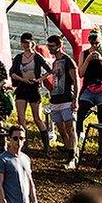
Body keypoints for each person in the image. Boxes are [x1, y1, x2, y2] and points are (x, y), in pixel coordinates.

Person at [76, 28, 102, 164]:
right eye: (92, 43)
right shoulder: (84, 53)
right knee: (80, 113)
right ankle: (77, 145)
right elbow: (80, 73)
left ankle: (101, 150)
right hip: (89, 87)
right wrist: (87, 59)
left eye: (97, 43)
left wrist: (101, 60)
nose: (94, 46)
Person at [10, 33, 52, 151]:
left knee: (37, 118)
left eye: (27, 42)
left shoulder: (37, 57)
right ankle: (24, 145)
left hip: (33, 88)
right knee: (21, 117)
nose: (25, 45)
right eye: (23, 43)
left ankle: (46, 145)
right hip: (22, 87)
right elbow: (12, 72)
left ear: (32, 43)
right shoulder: (19, 57)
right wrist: (22, 79)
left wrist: (39, 80)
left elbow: (49, 70)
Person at [45, 35, 80, 168]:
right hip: (55, 99)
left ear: (59, 46)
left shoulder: (68, 61)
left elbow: (76, 80)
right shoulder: (55, 62)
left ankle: (72, 157)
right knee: (61, 128)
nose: (50, 49)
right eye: (49, 46)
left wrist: (75, 99)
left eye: (52, 46)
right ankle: (69, 149)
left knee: (70, 128)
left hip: (66, 99)